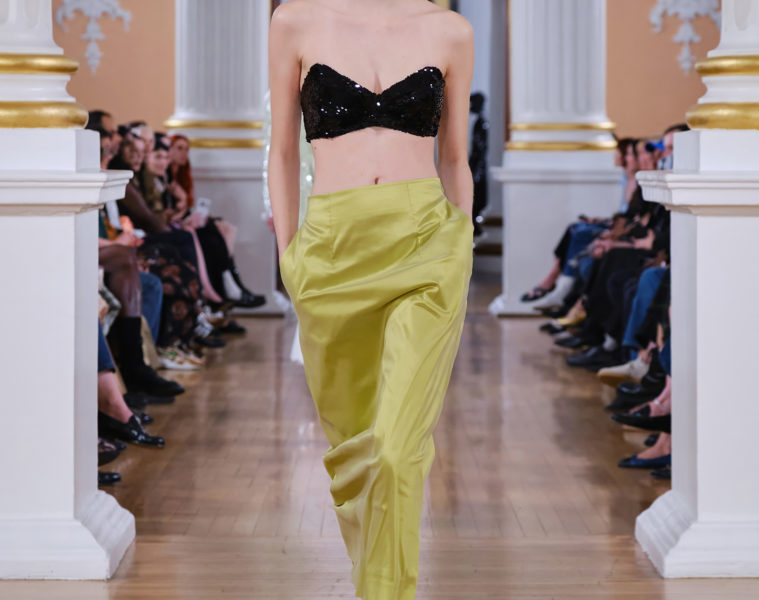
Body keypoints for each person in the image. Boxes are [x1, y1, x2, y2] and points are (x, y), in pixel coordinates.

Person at [268, 1, 474, 598]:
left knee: (394, 449)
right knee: (356, 445)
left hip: (427, 247)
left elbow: (455, 157)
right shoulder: (295, 22)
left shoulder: (450, 30)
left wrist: (460, 243)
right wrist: (288, 256)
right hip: (332, 254)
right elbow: (282, 150)